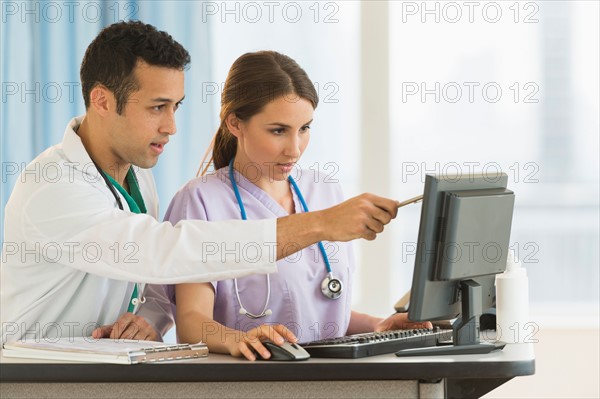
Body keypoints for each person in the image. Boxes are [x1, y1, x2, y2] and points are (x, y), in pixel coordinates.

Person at [0, 22, 399, 344]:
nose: (171, 126)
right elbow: (163, 251)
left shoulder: (135, 175)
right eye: (158, 107)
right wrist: (318, 225)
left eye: (176, 107)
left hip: (102, 370)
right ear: (102, 101)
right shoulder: (53, 186)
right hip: (38, 377)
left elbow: (153, 285)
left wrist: (151, 319)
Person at [165, 51, 431, 361]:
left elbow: (315, 311)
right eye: (278, 131)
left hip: (332, 379)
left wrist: (377, 325)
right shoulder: (201, 200)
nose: (294, 149)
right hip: (249, 380)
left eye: (304, 129)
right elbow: (191, 322)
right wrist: (239, 339)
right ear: (235, 123)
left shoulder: (324, 190)